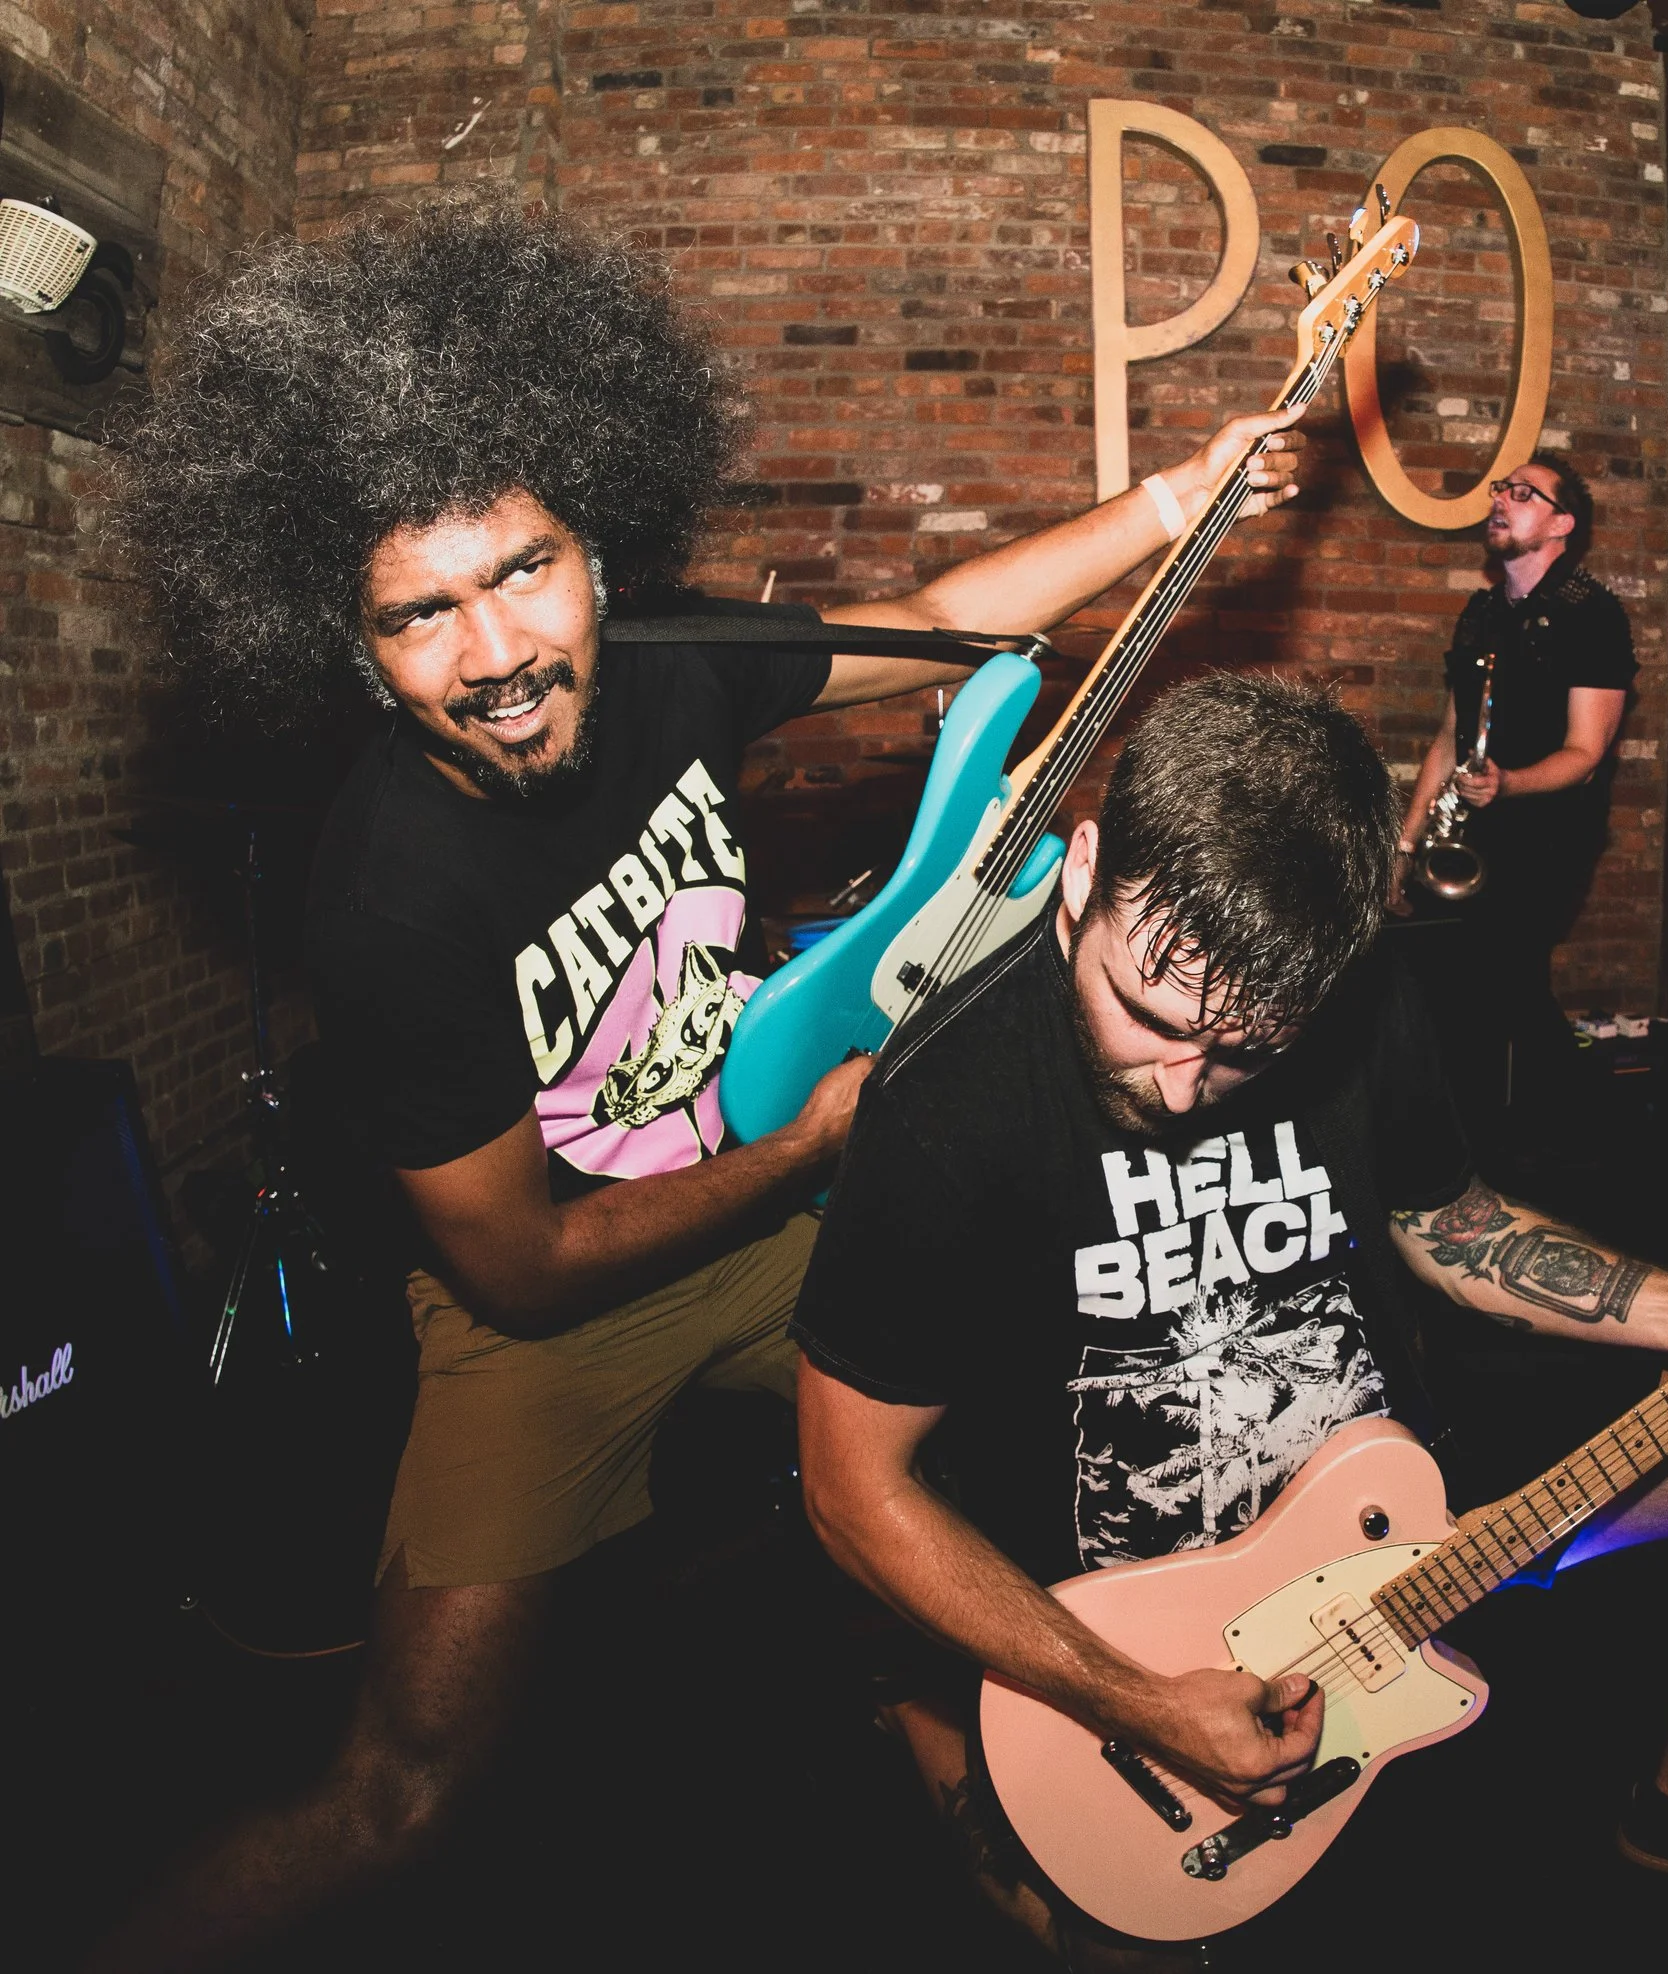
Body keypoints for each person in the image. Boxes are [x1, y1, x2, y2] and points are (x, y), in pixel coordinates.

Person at [88, 201, 1304, 1972]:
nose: (496, 652)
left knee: (1018, 1413)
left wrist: (1169, 508)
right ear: (353, 648)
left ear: (596, 541)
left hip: (778, 1191)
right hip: (557, 1302)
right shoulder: (388, 899)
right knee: (399, 1794)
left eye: (526, 569)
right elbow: (515, 1263)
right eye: (420, 615)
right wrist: (818, 1135)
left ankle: (972, 1771)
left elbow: (944, 621)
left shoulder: (660, 669)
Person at [793, 672, 1668, 1960]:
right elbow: (849, 1490)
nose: (1183, 1082)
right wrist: (1139, 1704)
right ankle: (933, 1734)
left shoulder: (1364, 1002)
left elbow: (1446, 1221)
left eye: (1244, 1051)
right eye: (1148, 1014)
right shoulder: (946, 1103)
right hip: (1139, 1612)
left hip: (1398, 1511)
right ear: (1084, 866)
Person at [1392, 452, 1634, 1134]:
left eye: (1525, 493)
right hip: (1471, 835)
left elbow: (1587, 754)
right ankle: (1476, 1137)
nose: (1502, 498)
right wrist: (1405, 843)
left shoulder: (1594, 615)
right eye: (1503, 488)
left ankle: (1581, 1128)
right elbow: (1448, 734)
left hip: (1549, 837)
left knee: (1504, 980)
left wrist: (1508, 784)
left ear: (1562, 523)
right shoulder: (1480, 614)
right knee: (1446, 984)